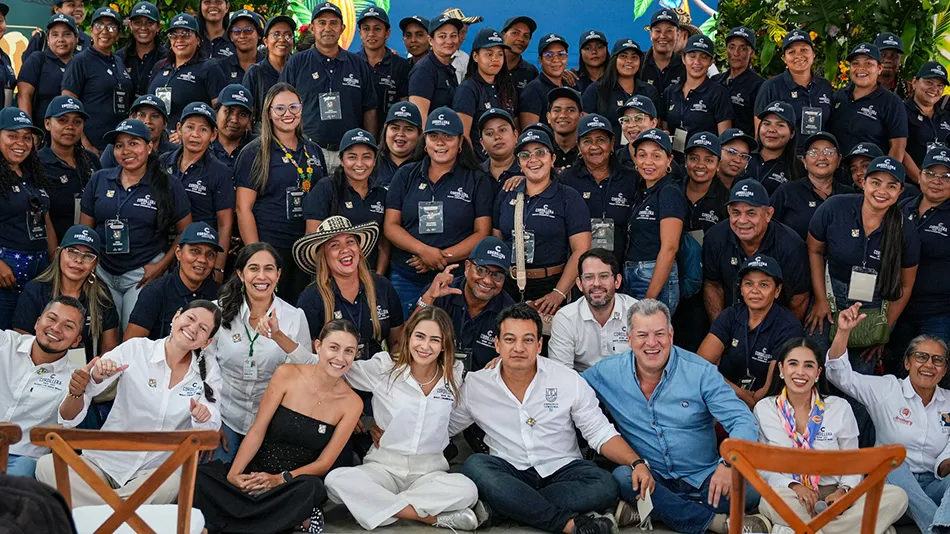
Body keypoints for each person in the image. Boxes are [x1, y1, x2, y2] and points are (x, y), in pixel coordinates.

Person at [452, 303, 644, 534]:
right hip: (509, 472)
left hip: (563, 470)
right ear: (497, 344)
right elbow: (447, 426)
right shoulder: (476, 384)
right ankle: (568, 524)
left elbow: (599, 432)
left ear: (539, 344)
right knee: (475, 466)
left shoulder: (566, 379)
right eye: (510, 340)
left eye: (528, 340)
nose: (519, 348)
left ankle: (502, 507)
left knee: (604, 485)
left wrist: (636, 462)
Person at [583, 299, 770, 534]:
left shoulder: (701, 372)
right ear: (629, 339)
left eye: (659, 334)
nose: (652, 343)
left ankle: (654, 509)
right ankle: (714, 522)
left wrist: (728, 463)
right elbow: (570, 390)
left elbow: (743, 420)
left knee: (749, 489)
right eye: (642, 335)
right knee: (623, 476)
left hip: (705, 477)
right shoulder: (607, 372)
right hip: (651, 475)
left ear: (671, 335)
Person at [36, 299, 223, 506]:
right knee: (47, 466)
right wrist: (98, 374)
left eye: (203, 328)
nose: (193, 328)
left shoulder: (209, 372)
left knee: (174, 483)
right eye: (190, 318)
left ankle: (99, 515)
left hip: (154, 474)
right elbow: (89, 389)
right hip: (103, 463)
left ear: (207, 342)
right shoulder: (137, 349)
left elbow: (211, 425)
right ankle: (123, 516)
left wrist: (203, 417)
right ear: (176, 316)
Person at [195, 319, 361, 534]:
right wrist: (235, 474)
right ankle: (275, 522)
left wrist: (280, 479)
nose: (340, 358)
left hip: (290, 484)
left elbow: (324, 462)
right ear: (318, 346)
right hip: (255, 473)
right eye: (334, 348)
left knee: (313, 488)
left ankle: (230, 522)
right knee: (201, 476)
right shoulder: (287, 374)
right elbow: (258, 429)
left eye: (349, 351)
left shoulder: (352, 403)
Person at [326, 307, 481, 531]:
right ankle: (431, 517)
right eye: (420, 336)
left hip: (429, 471)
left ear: (444, 344)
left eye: (434, 340)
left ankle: (378, 503)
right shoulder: (385, 367)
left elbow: (455, 418)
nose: (425, 346)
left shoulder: (454, 374)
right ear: (408, 337)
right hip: (383, 467)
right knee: (336, 481)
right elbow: (332, 367)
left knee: (467, 490)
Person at [754, 335, 908, 534]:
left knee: (897, 496)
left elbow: (854, 461)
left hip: (836, 493)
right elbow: (763, 466)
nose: (800, 372)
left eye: (809, 366)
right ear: (781, 369)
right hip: (791, 493)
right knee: (769, 501)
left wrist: (844, 492)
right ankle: (858, 528)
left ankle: (807, 529)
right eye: (793, 364)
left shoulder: (839, 407)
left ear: (818, 373)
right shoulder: (764, 408)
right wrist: (794, 486)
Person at [825, 303, 950, 534]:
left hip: (932, 484)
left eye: (937, 360)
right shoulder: (887, 389)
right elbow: (839, 375)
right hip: (891, 485)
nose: (929, 365)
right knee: (891, 460)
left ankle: (939, 526)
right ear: (907, 363)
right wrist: (843, 332)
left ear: (944, 370)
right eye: (921, 357)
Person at [201, 241, 313, 463]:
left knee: (259, 488)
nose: (261, 277)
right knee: (211, 476)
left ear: (279, 275)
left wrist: (279, 336)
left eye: (269, 269)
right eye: (253, 268)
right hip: (226, 416)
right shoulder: (217, 311)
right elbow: (203, 365)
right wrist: (211, 420)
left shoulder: (294, 316)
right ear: (241, 274)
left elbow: (308, 370)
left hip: (272, 422)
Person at [806, 156, 920, 370]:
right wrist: (821, 300)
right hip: (831, 295)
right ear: (864, 182)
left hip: (873, 305)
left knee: (859, 381)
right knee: (813, 365)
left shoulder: (906, 230)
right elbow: (814, 249)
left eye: (891, 186)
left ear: (900, 192)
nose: (882, 191)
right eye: (876, 182)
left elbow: (906, 284)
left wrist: (885, 327)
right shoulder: (835, 208)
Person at [79, 118, 192, 329]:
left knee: (131, 341)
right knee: (105, 338)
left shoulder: (168, 184)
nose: (125, 150)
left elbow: (185, 233)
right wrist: (88, 266)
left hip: (142, 274)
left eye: (133, 143)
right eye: (119, 145)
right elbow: (85, 232)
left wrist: (161, 266)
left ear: (149, 147)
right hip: (102, 272)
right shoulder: (99, 179)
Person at [383, 107, 492, 316]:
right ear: (425, 142)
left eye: (448, 136)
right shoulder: (405, 175)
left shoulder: (477, 180)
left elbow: (482, 232)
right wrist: (424, 251)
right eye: (433, 136)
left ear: (460, 143)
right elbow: (390, 225)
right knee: (404, 337)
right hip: (406, 276)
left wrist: (441, 257)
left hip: (455, 277)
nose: (440, 142)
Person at [234, 83, 329, 304]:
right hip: (270, 246)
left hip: (305, 250)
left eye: (294, 107)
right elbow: (243, 208)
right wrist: (255, 255)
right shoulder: (254, 152)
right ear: (269, 112)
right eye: (280, 108)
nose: (288, 114)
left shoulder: (313, 151)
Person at [494, 130, 592, 313]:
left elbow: (582, 249)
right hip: (508, 287)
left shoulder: (568, 197)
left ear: (553, 158)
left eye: (540, 152)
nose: (533, 159)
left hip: (550, 286)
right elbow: (496, 239)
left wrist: (559, 292)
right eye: (525, 155)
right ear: (519, 163)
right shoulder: (507, 194)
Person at [279, 3, 377, 170]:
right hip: (307, 151)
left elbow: (370, 109)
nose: (327, 28)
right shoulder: (297, 63)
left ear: (342, 28)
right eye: (322, 23)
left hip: (350, 153)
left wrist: (368, 147)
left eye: (333, 23)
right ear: (312, 28)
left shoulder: (358, 64)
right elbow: (280, 105)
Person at [698, 254, 804, 409]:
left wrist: (751, 402)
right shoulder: (730, 315)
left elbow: (772, 386)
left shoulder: (788, 326)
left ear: (777, 290)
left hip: (769, 404)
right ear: (741, 289)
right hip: (723, 394)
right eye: (748, 284)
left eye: (763, 285)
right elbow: (700, 366)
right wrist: (738, 393)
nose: (755, 291)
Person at [703, 179, 811, 322]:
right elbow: (712, 284)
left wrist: (779, 335)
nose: (742, 220)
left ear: (768, 214)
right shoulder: (715, 237)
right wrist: (720, 329)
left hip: (775, 323)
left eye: (751, 213)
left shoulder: (791, 246)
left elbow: (799, 298)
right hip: (730, 320)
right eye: (736, 212)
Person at [296, 216, 403, 360]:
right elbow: (308, 357)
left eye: (350, 242)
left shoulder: (382, 286)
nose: (345, 249)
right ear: (324, 256)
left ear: (359, 249)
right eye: (335, 245)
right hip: (334, 376)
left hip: (377, 374)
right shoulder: (311, 298)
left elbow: (397, 343)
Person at [3, 296, 87, 478]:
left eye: (68, 326)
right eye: (52, 318)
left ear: (76, 341)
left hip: (22, 458)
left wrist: (75, 393)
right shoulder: (5, 343)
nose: (56, 328)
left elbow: (69, 420)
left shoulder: (77, 376)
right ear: (37, 322)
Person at [13, 225, 118, 363]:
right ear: (58, 253)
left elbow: (109, 347)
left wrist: (95, 372)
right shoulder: (36, 290)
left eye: (88, 256)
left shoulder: (101, 295)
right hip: (38, 369)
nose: (78, 260)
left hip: (84, 373)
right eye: (72, 252)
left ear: (95, 263)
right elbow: (21, 340)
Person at [413, 236, 514, 372]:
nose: (488, 281)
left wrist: (506, 361)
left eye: (497, 275)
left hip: (482, 385)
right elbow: (405, 343)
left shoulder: (510, 312)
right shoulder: (441, 292)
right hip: (434, 378)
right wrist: (429, 297)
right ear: (467, 267)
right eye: (481, 270)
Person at [0, 108, 57, 329]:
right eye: (12, 135)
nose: (20, 143)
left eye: (26, 137)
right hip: (7, 269)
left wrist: (55, 264)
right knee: (5, 343)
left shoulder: (34, 174)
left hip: (40, 268)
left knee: (29, 338)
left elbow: (46, 222)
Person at [892, 147, 950, 357]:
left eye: (946, 176)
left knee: (932, 371)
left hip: (938, 313)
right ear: (919, 175)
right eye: (931, 173)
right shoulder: (902, 207)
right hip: (897, 308)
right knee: (896, 370)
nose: (937, 180)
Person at [304, 130, 389, 272]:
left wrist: (378, 275)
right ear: (342, 160)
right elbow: (313, 239)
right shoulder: (326, 187)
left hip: (369, 274)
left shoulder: (381, 194)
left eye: (367, 157)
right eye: (352, 157)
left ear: (374, 160)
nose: (360, 164)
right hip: (332, 275)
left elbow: (383, 242)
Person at [623, 129, 687, 313]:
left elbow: (670, 247)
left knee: (651, 335)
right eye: (642, 155)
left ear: (669, 160)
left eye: (656, 156)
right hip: (635, 274)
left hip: (652, 278)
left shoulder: (669, 192)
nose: (648, 162)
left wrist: (649, 298)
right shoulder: (643, 192)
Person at [123, 223, 221, 340]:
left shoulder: (219, 294)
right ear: (178, 253)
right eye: (195, 251)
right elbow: (131, 346)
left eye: (210, 254)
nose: (202, 260)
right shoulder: (156, 292)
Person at [561, 113, 639, 257]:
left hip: (621, 265)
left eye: (601, 140)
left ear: (612, 143)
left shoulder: (631, 178)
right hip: (578, 266)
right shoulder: (566, 179)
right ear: (578, 146)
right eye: (587, 141)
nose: (594, 146)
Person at [61, 6, 135, 155]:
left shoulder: (119, 61)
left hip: (118, 145)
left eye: (112, 27)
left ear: (119, 33)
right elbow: (68, 105)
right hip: (92, 146)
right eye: (99, 25)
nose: (105, 31)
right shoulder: (80, 61)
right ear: (91, 30)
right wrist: (85, 145)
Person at [159, 102, 233, 250]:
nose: (195, 135)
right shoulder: (162, 161)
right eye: (190, 127)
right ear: (179, 129)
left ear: (213, 135)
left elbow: (224, 224)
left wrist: (219, 267)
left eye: (203, 129)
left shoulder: (220, 171)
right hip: (161, 245)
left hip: (200, 250)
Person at [549, 248, 636, 371]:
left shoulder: (637, 314)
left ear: (617, 281)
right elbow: (561, 373)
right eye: (589, 277)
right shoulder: (566, 318)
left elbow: (648, 367)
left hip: (626, 385)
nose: (596, 283)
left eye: (604, 276)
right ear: (579, 284)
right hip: (582, 386)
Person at [147, 13, 228, 131]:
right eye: (174, 35)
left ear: (198, 40)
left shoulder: (209, 68)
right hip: (156, 141)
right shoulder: (160, 66)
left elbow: (221, 112)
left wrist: (187, 134)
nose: (179, 39)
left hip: (191, 141)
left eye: (186, 34)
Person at [754, 30, 833, 147]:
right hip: (784, 159)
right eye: (792, 52)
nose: (798, 56)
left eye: (804, 50)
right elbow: (760, 132)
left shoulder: (825, 86)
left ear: (813, 55)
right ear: (784, 58)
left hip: (817, 157)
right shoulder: (771, 86)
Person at [828, 43, 908, 159]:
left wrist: (886, 175)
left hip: (870, 173)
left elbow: (897, 147)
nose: (861, 68)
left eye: (868, 64)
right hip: (836, 172)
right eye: (855, 63)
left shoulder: (892, 102)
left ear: (879, 69)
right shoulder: (840, 96)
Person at [38, 96, 100, 242]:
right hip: (52, 248)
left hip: (89, 247)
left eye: (77, 122)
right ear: (48, 123)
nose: (70, 127)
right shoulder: (36, 163)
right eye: (63, 120)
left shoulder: (91, 159)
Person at [771, 132, 853, 240]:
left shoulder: (849, 195)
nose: (822, 157)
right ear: (804, 161)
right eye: (814, 152)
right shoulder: (787, 191)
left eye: (829, 152)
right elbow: (768, 226)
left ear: (838, 160)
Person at [662, 34, 732, 153]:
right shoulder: (670, 91)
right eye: (692, 56)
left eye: (704, 57)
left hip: (703, 162)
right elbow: (664, 127)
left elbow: (724, 139)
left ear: (711, 62)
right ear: (683, 59)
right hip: (673, 160)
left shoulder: (718, 93)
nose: (697, 62)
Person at [454, 27, 517, 157]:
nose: (495, 59)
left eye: (500, 54)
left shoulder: (507, 88)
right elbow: (463, 136)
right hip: (480, 167)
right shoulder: (467, 89)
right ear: (475, 56)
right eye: (489, 54)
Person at [582, 39, 662, 140]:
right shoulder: (596, 89)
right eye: (623, 56)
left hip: (643, 151)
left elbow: (657, 124)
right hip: (607, 152)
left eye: (634, 57)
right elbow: (585, 126)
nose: (629, 61)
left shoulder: (650, 91)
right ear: (614, 60)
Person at [17, 14, 80, 130]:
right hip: (41, 134)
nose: (60, 39)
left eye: (66, 34)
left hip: (74, 134)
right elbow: (24, 95)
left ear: (76, 38)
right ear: (48, 39)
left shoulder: (81, 63)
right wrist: (28, 130)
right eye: (55, 35)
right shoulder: (37, 59)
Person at [356, 7, 411, 123]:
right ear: (360, 33)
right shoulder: (351, 63)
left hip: (389, 135)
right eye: (366, 29)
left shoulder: (401, 66)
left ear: (387, 33)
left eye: (377, 29)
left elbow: (404, 105)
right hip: (355, 136)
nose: (371, 34)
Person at [243, 16, 295, 134]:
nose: (282, 39)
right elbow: (246, 113)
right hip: (264, 137)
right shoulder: (255, 72)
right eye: (276, 34)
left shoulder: (298, 69)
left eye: (288, 35)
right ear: (266, 41)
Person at [99, 93, 178, 169]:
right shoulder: (116, 147)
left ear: (165, 124)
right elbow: (101, 178)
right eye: (141, 115)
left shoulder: (175, 152)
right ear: (131, 118)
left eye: (155, 116)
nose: (147, 121)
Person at [408, 13, 462, 122]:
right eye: (442, 36)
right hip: (432, 138)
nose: (449, 41)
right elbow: (419, 119)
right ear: (431, 40)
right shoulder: (424, 71)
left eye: (453, 35)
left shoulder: (448, 67)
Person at [712, 27, 764, 136]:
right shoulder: (715, 80)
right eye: (732, 47)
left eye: (743, 48)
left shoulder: (760, 86)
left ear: (752, 52)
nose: (736, 53)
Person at [904, 61, 950, 184]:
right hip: (910, 185)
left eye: (940, 86)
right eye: (929, 82)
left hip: (942, 186)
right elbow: (898, 148)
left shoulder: (945, 116)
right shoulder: (901, 111)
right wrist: (922, 181)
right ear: (914, 82)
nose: (934, 89)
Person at [747, 101, 805, 194]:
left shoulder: (798, 169)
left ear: (792, 133)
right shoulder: (744, 156)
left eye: (780, 125)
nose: (771, 130)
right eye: (766, 123)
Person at [682, 131, 729, 237]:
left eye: (709, 160)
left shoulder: (726, 200)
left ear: (718, 165)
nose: (700, 165)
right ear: (685, 161)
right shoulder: (672, 191)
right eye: (694, 158)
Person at [115, 1, 165, 99]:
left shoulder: (167, 58)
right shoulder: (119, 58)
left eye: (149, 23)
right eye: (138, 22)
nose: (143, 27)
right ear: (130, 25)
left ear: (158, 27)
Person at [518, 33, 569, 127]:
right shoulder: (532, 90)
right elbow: (530, 134)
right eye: (549, 55)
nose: (556, 59)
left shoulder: (570, 85)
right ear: (540, 60)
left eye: (561, 54)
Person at [21, 0, 90, 62]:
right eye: (72, 5)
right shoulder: (41, 39)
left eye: (81, 5)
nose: (78, 9)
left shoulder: (89, 41)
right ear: (57, 9)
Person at [639, 9, 685, 95]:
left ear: (678, 34)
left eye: (669, 31)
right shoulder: (638, 62)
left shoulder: (686, 65)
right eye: (658, 31)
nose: (663, 36)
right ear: (650, 34)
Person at [376, 102, 422, 187]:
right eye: (395, 128)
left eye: (408, 129)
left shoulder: (427, 165)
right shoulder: (371, 161)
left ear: (419, 135)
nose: (400, 134)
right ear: (385, 131)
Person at [478, 108, 520, 198]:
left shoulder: (527, 172)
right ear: (482, 143)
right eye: (489, 133)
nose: (497, 137)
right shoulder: (475, 175)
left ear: (515, 136)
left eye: (502, 130)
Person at [211, 83, 253, 169]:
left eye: (242, 114)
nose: (234, 120)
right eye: (228, 111)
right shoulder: (203, 145)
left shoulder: (259, 148)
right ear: (216, 112)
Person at [216, 9, 262, 82]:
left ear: (259, 34)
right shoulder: (221, 67)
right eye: (236, 31)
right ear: (231, 36)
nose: (242, 36)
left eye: (248, 30)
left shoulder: (269, 65)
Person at [615, 94, 660, 167]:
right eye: (626, 119)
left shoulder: (666, 163)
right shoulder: (613, 161)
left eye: (638, 118)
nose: (631, 125)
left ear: (653, 123)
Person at [499, 16, 538, 95]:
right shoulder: (489, 66)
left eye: (526, 36)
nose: (521, 39)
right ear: (503, 35)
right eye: (515, 33)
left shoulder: (531, 72)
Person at [546, 87, 582, 170]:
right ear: (548, 117)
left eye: (570, 110)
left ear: (581, 117)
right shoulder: (541, 150)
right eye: (557, 110)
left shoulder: (589, 151)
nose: (563, 115)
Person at [571, 30, 608, 95]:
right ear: (581, 53)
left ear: (606, 50)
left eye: (599, 47)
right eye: (588, 48)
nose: (594, 52)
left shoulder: (616, 76)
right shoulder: (572, 77)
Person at [875, 32, 908, 98]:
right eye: (883, 55)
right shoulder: (860, 87)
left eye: (894, 55)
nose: (888, 60)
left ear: (900, 61)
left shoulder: (909, 90)